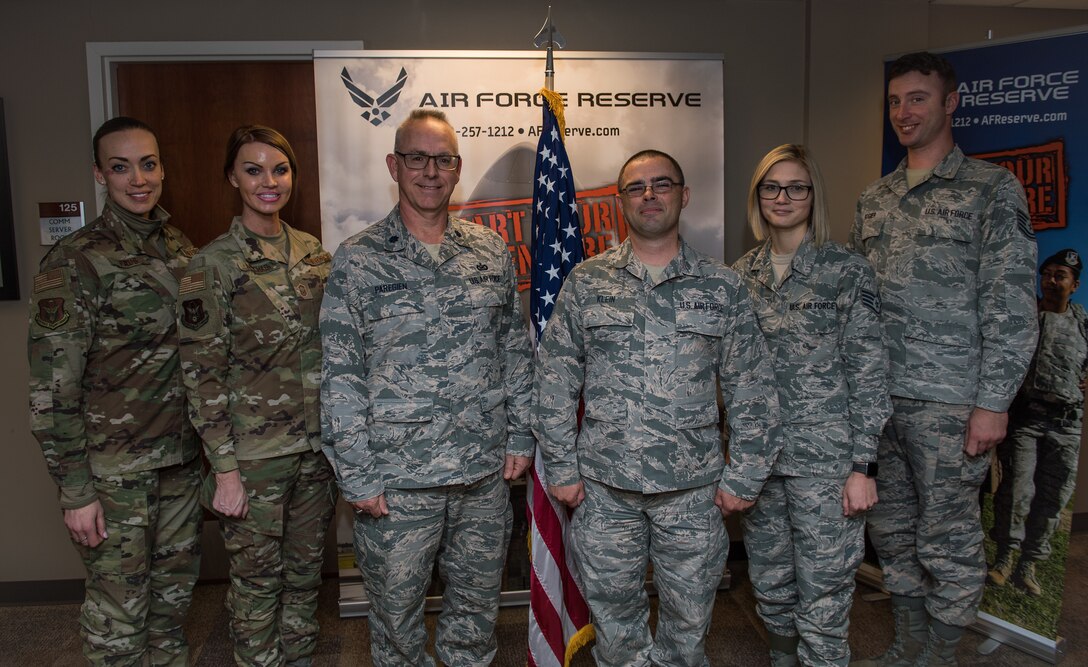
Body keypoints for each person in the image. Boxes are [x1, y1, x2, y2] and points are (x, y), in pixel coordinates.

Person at [533, 149, 779, 667]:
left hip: (693, 495)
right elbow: (554, 382)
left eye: (662, 184)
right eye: (636, 187)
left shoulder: (722, 286)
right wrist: (561, 469)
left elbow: (751, 387)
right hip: (604, 493)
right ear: (621, 201)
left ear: (683, 196)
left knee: (687, 632)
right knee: (616, 630)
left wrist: (745, 476)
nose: (650, 195)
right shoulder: (587, 282)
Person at [320, 109, 533, 667]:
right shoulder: (358, 260)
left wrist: (520, 437)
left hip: (482, 478)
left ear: (458, 168)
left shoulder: (489, 251)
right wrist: (358, 474)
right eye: (417, 158)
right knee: (397, 628)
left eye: (442, 160)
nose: (430, 171)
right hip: (397, 485)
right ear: (395, 165)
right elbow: (340, 375)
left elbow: (514, 349)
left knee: (475, 620)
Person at [849, 52, 1038, 666]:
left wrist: (993, 404)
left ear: (950, 102)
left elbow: (1011, 305)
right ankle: (907, 647)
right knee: (893, 537)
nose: (904, 112)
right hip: (881, 404)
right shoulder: (873, 200)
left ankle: (941, 655)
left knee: (950, 541)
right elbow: (857, 308)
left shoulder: (991, 190)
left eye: (918, 98)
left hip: (952, 404)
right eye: (895, 101)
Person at [28, 116, 202, 665]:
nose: (138, 179)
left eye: (148, 164)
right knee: (119, 617)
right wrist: (75, 491)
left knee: (171, 610)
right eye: (121, 167)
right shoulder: (74, 260)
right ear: (100, 174)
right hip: (114, 474)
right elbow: (51, 390)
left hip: (179, 461)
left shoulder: (177, 244)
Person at [177, 125, 335, 666]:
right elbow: (202, 374)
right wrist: (223, 471)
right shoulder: (213, 265)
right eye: (253, 169)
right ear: (232, 178)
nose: (269, 181)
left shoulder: (312, 252)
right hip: (253, 460)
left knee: (305, 581)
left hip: (314, 454)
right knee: (256, 589)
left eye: (280, 169)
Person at [733, 144, 891, 667]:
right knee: (772, 585)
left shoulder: (846, 270)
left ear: (813, 195)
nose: (783, 197)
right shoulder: (740, 275)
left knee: (823, 596)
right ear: (758, 195)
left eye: (796, 187)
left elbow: (868, 372)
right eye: (771, 187)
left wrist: (862, 466)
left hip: (827, 467)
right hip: (761, 464)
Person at [988, 249, 1088, 596]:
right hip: (1026, 420)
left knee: (1053, 497)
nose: (1051, 280)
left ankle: (1029, 565)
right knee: (1017, 490)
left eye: (1060, 275)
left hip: (1067, 424)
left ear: (1074, 285)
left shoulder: (1082, 322)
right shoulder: (1024, 316)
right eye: (1046, 274)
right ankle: (1004, 558)